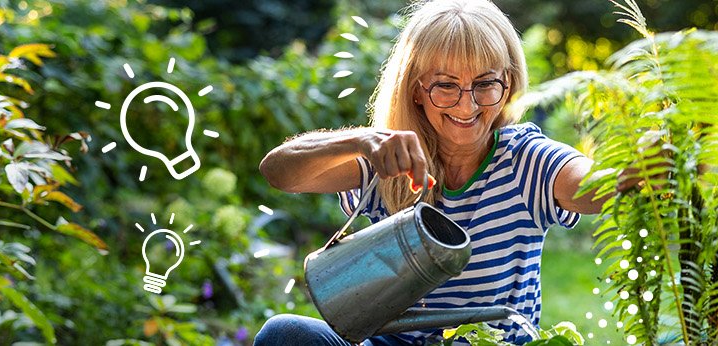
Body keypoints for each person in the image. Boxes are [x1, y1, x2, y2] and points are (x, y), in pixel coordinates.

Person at [253, 0, 633, 344]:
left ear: (508, 84)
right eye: (446, 86)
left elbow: (594, 184)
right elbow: (278, 171)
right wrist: (361, 140)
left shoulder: (526, 160)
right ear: (417, 90)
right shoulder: (389, 158)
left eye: (485, 84)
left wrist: (639, 170)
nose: (467, 106)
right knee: (285, 333)